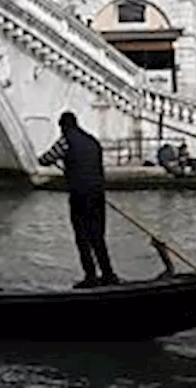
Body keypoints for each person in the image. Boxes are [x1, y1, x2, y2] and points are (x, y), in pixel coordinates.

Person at [38, 111, 120, 288]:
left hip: (80, 195)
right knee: (98, 236)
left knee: (82, 236)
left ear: (64, 126)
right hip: (98, 194)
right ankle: (108, 274)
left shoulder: (66, 140)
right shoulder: (93, 141)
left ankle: (90, 276)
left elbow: (46, 159)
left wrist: (47, 160)